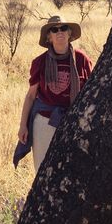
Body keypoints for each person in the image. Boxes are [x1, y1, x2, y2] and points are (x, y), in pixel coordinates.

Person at [16, 14, 93, 168]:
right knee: (43, 167)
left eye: (63, 28)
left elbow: (91, 92)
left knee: (71, 168)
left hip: (74, 120)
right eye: (54, 29)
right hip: (44, 121)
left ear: (69, 33)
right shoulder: (40, 62)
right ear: (49, 37)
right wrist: (23, 125)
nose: (60, 32)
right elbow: (31, 95)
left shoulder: (81, 59)